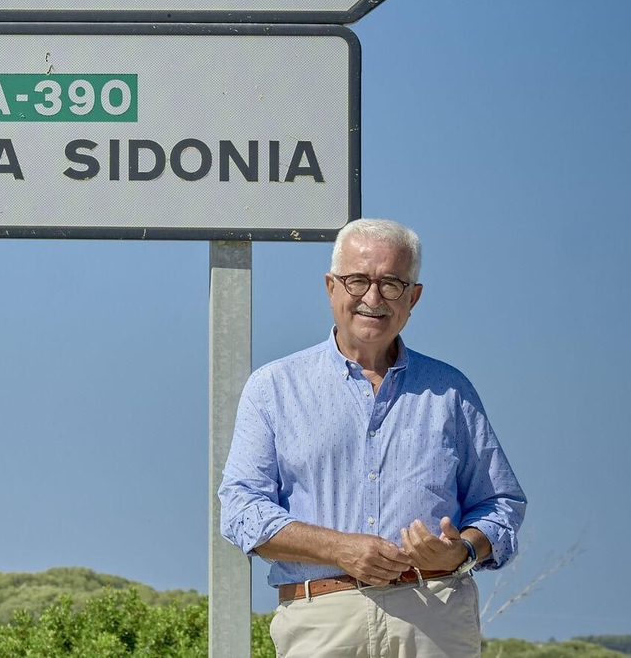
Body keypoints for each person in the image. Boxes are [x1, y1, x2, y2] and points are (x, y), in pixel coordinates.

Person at [219, 218, 526, 658]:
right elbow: (240, 509)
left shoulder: (451, 390)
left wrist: (460, 553)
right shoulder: (274, 387)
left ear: (414, 296)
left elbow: (502, 504)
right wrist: (340, 549)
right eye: (358, 280)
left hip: (433, 613)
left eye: (392, 283)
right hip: (321, 617)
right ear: (331, 287)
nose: (373, 298)